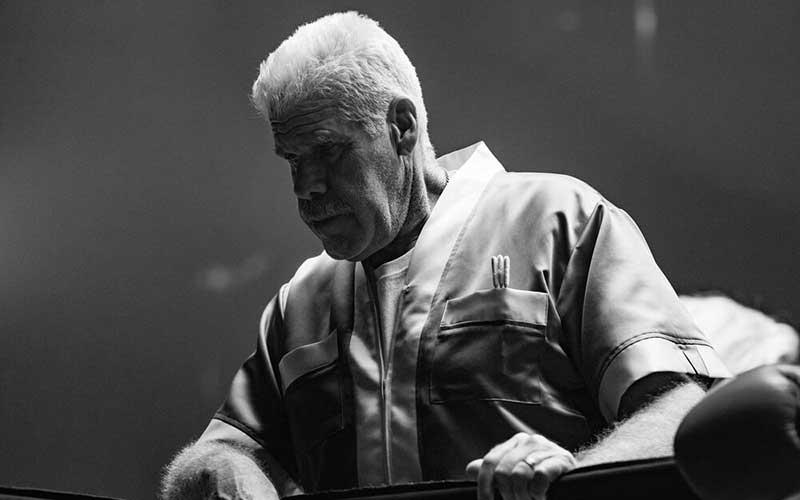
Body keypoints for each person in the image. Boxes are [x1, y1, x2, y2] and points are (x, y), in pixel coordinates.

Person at [161, 12, 730, 500]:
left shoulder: (561, 220)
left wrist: (571, 480)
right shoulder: (300, 305)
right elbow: (220, 453)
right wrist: (219, 471)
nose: (305, 186)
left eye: (328, 151)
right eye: (292, 159)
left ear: (402, 127)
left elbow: (684, 412)